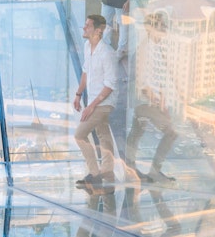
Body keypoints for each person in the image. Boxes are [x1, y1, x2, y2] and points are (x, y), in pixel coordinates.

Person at [125, 13, 177, 183]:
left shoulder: (154, 48)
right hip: (145, 101)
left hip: (149, 100)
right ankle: (153, 170)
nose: (165, 30)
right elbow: (141, 82)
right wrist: (156, 100)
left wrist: (161, 97)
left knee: (136, 132)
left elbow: (155, 78)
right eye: (161, 26)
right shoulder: (145, 49)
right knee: (171, 132)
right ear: (152, 28)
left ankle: (130, 168)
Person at [74, 14, 119, 186]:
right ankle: (108, 172)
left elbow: (110, 85)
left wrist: (91, 107)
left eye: (88, 26)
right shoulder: (87, 46)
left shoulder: (107, 53)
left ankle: (94, 173)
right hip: (93, 99)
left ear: (98, 31)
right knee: (103, 134)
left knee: (80, 135)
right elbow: (85, 71)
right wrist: (78, 94)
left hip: (104, 102)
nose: (84, 28)